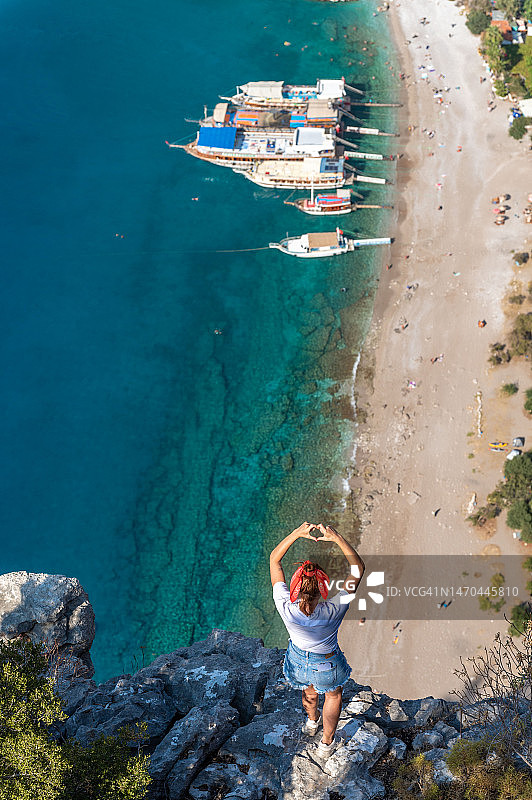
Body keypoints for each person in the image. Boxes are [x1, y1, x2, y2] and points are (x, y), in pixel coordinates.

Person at [270, 522, 365, 758]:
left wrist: (296, 533)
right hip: (327, 662)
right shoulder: (334, 608)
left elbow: (274, 560)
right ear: (321, 588)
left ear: (295, 588)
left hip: (298, 660)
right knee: (332, 695)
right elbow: (358, 569)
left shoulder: (285, 606)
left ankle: (312, 722)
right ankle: (326, 743)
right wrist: (336, 537)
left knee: (308, 691)